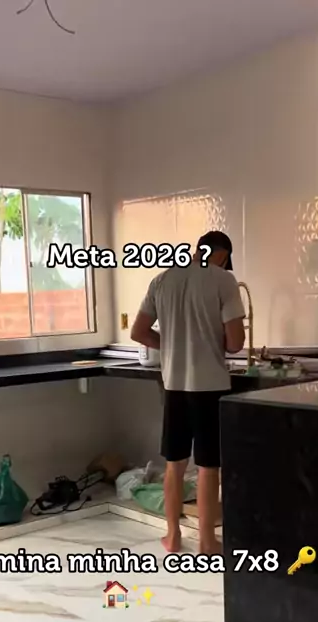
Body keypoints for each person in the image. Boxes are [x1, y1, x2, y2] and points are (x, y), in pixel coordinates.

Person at [130, 230, 245, 555]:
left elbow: (139, 331)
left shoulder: (162, 279)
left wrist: (171, 346)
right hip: (210, 386)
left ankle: (173, 536)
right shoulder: (223, 280)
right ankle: (207, 541)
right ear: (222, 255)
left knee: (175, 463)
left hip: (174, 385)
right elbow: (236, 343)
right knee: (208, 466)